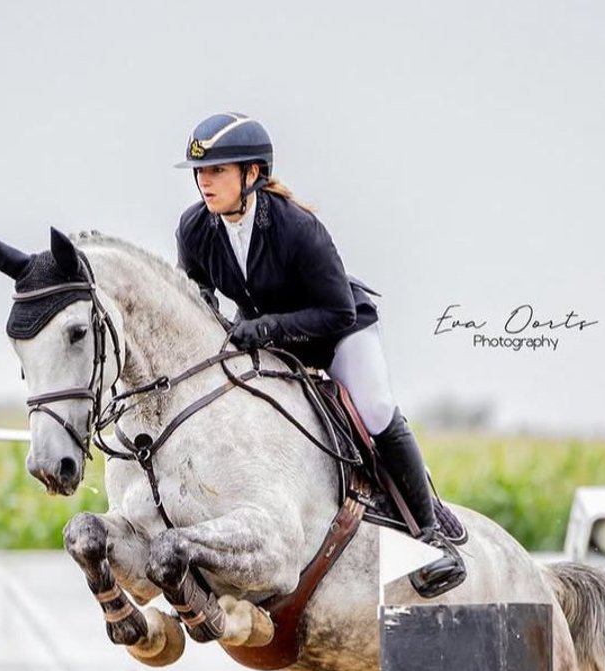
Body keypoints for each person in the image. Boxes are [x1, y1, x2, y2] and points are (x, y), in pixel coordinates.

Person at [174, 112, 464, 597]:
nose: (205, 182)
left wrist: (265, 327)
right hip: (268, 342)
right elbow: (197, 297)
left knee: (373, 408)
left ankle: (432, 535)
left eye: (217, 171)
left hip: (339, 334)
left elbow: (338, 312)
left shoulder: (297, 228)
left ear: (253, 174)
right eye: (201, 173)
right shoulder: (194, 230)